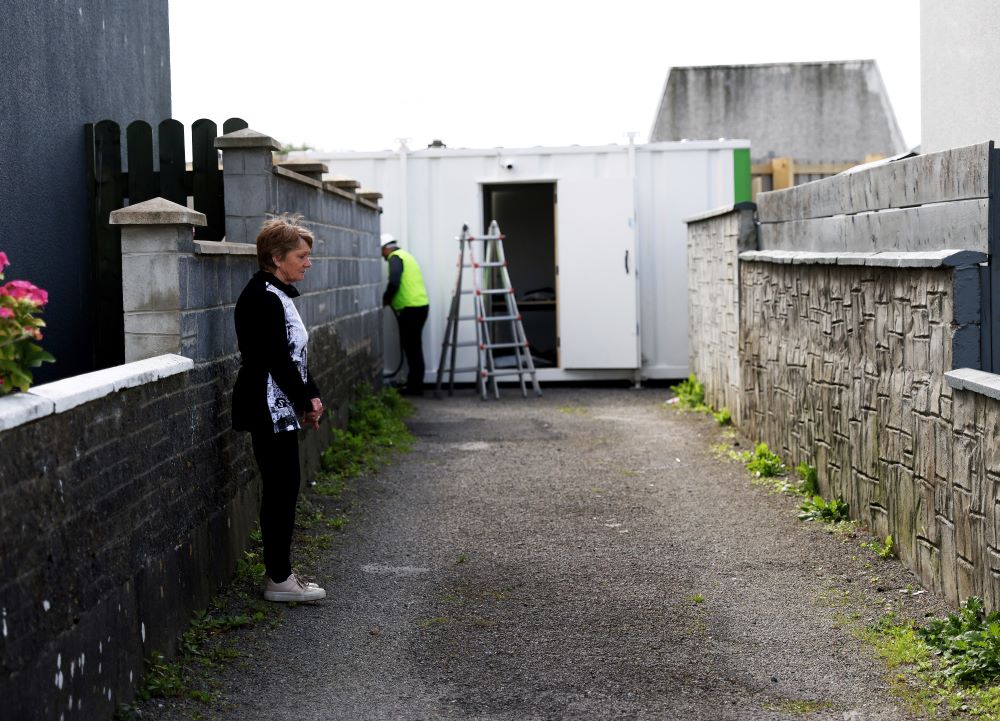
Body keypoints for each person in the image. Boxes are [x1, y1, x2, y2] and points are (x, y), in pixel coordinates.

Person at [232, 215, 326, 603]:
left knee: (284, 489)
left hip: (281, 407)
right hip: (268, 408)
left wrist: (311, 395)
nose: (308, 262)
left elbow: (296, 356)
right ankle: (279, 579)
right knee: (280, 490)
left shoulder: (277, 294)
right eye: (301, 256)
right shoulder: (263, 297)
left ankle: (281, 574)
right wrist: (305, 400)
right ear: (276, 257)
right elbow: (276, 359)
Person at [381, 233, 429, 396]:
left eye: (382, 251)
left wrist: (386, 298)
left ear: (386, 248)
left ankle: (415, 388)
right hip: (420, 306)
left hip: (411, 309)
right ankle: (415, 384)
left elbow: (394, 281)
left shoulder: (395, 257)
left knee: (412, 349)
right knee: (414, 347)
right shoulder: (406, 256)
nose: (382, 255)